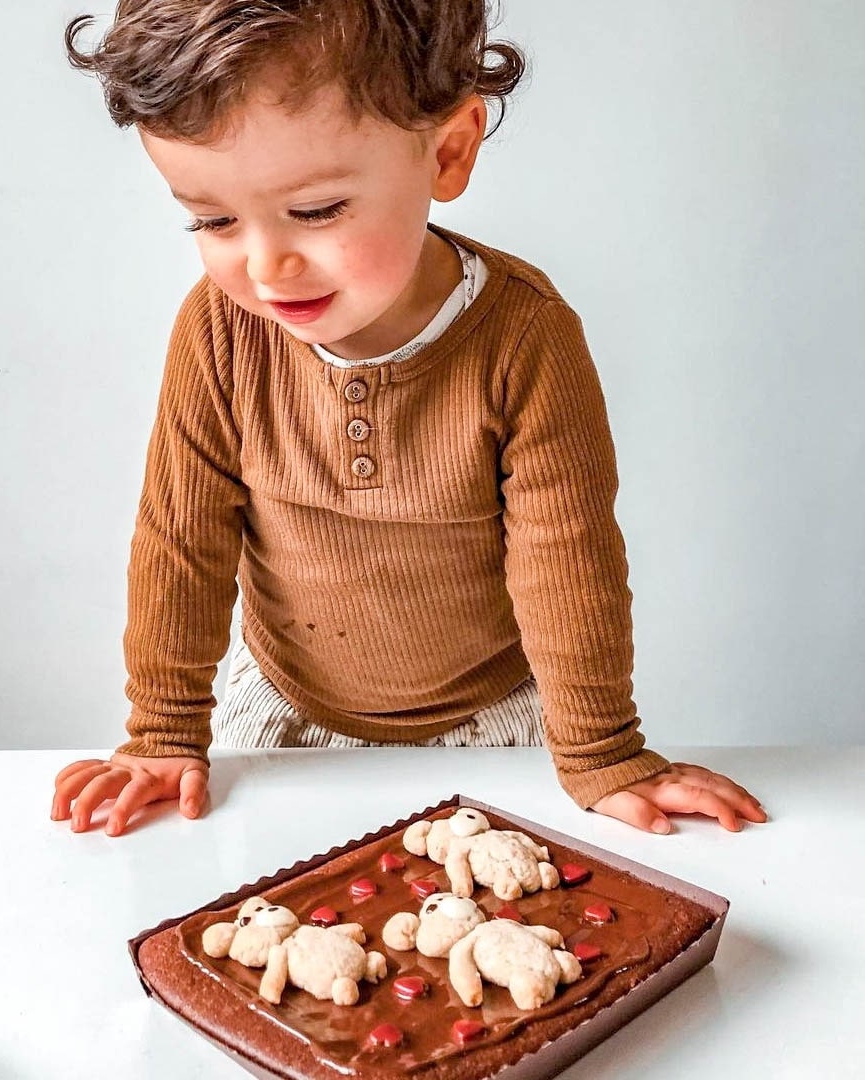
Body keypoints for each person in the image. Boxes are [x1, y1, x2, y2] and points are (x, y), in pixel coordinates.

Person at [51, 0, 766, 838]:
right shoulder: (218, 330)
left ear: (449, 151)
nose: (266, 264)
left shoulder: (524, 335)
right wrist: (165, 729)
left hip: (502, 716)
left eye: (316, 211)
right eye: (212, 220)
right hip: (282, 707)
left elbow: (566, 556)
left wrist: (603, 750)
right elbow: (181, 537)